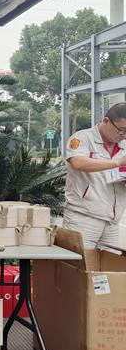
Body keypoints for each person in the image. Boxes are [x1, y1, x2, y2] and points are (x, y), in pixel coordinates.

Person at [64, 102, 126, 249]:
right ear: (106, 121)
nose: (123, 136)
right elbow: (78, 162)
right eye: (121, 130)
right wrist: (118, 162)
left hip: (112, 220)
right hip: (84, 216)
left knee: (109, 262)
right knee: (80, 261)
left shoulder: (124, 145)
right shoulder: (82, 138)